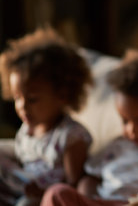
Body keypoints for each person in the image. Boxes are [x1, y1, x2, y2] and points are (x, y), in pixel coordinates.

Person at [41, 49, 138, 206]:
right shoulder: (116, 146)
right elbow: (89, 179)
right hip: (106, 202)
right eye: (125, 121)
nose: (131, 130)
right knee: (57, 193)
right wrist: (86, 197)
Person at [0, 27, 93, 206]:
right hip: (19, 189)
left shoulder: (71, 136)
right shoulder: (28, 128)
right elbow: (21, 158)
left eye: (33, 99)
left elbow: (72, 189)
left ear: (62, 95)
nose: (22, 106)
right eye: (17, 98)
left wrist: (41, 193)